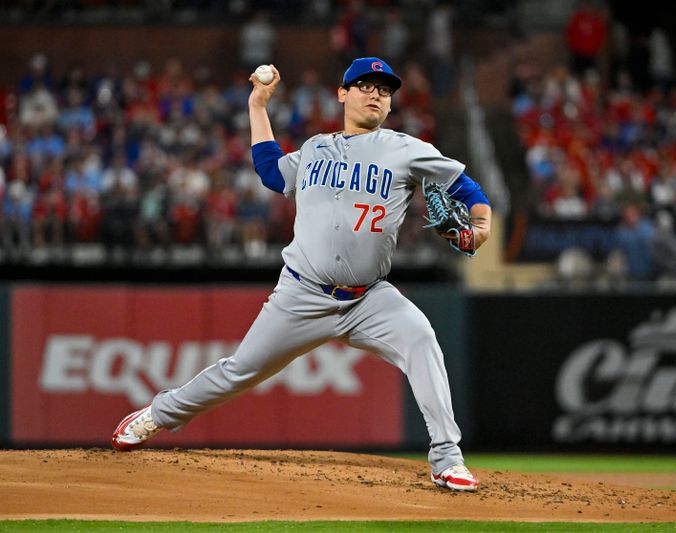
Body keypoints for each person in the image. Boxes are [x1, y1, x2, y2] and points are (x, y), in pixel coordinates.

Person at [111, 57, 493, 492]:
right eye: (365, 85)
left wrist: (479, 229)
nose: (375, 94)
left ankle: (446, 458)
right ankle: (158, 414)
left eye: (384, 90)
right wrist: (258, 105)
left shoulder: (407, 149)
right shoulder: (315, 149)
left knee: (422, 340)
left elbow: (470, 189)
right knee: (241, 370)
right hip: (302, 294)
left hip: (370, 298)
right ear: (342, 94)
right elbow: (271, 171)